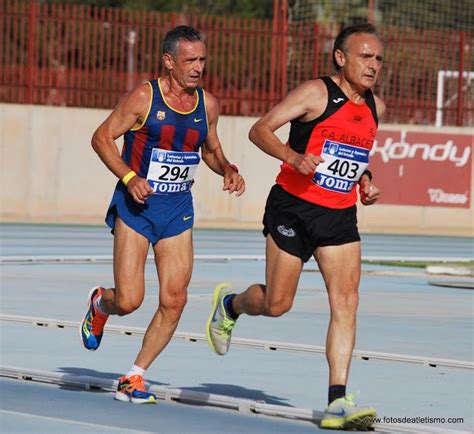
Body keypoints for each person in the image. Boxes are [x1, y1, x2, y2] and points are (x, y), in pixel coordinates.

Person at [206, 23, 384, 430]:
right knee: (277, 304)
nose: (373, 65)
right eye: (365, 56)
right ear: (341, 58)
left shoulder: (376, 107)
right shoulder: (315, 93)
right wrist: (292, 157)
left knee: (347, 301)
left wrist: (365, 181)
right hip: (293, 209)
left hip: (338, 215)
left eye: (378, 59)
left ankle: (337, 402)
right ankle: (230, 305)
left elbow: (354, 153)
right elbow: (259, 130)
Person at [80, 25, 245, 404]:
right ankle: (99, 304)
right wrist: (128, 176)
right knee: (130, 300)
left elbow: (211, 149)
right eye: (190, 60)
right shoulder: (143, 96)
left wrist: (229, 168)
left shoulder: (208, 104)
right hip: (137, 208)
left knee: (175, 299)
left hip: (177, 211)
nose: (198, 67)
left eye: (202, 59)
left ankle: (134, 376)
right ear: (169, 61)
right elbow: (101, 137)